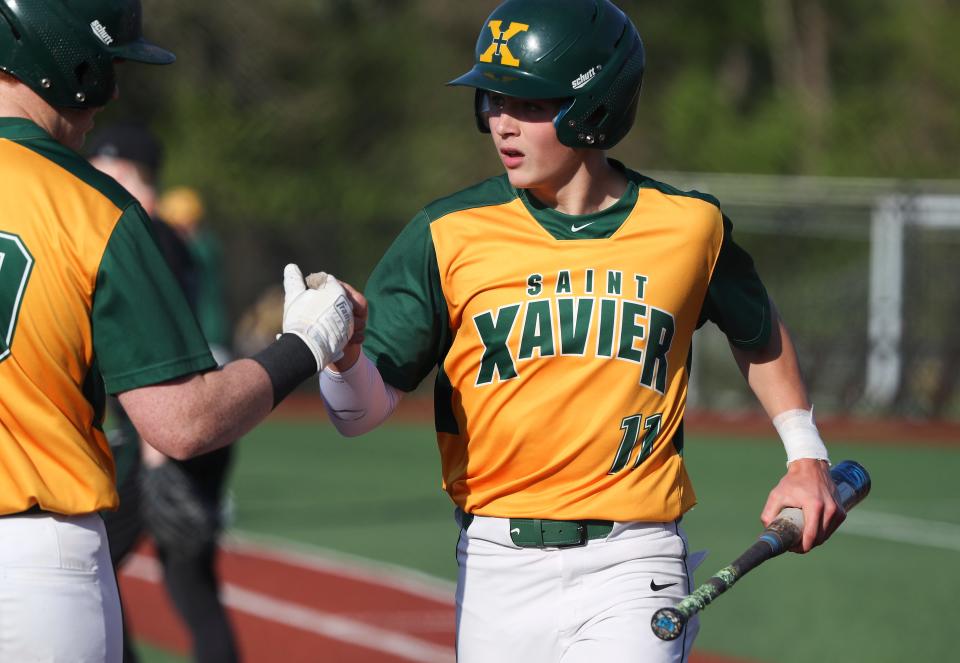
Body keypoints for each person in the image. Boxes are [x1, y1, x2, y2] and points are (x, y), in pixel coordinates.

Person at [317, 1, 845, 661]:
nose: (501, 125)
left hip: (635, 555)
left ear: (594, 106)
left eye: (530, 104)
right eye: (492, 101)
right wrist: (341, 356)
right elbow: (358, 414)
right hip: (493, 565)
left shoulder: (689, 228)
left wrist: (806, 457)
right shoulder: (446, 232)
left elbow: (757, 332)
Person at [0, 2, 356, 661]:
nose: (109, 94)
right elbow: (182, 421)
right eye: (108, 68)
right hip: (32, 566)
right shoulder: (94, 207)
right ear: (70, 62)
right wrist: (304, 342)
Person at [88, 124, 240, 663]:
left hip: (164, 430)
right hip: (193, 420)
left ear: (127, 173)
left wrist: (157, 449)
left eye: (103, 168)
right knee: (191, 581)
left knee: (90, 560)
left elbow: (164, 349)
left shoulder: (142, 233)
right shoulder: (169, 235)